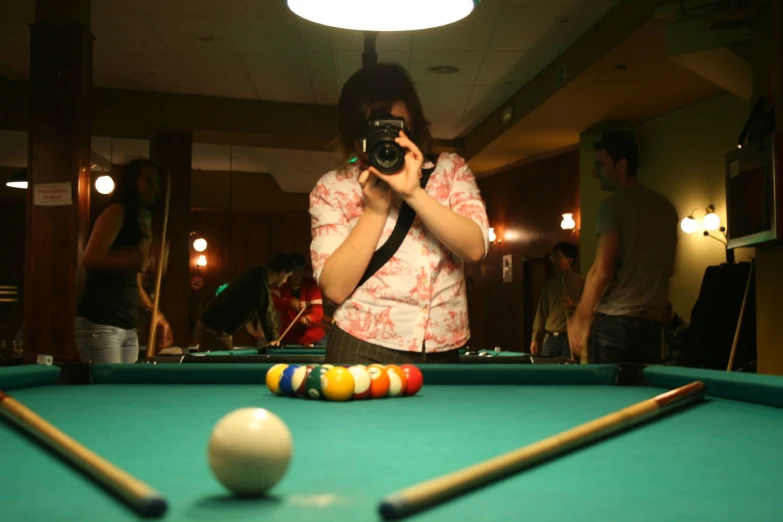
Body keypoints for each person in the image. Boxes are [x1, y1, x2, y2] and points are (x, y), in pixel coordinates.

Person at [309, 63, 489, 365]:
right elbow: (335, 289)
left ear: (414, 126)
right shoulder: (332, 188)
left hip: (442, 345)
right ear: (355, 133)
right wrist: (376, 210)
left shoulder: (450, 170)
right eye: (375, 129)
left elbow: (474, 248)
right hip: (360, 342)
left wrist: (414, 194)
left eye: (397, 126)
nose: (388, 138)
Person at [568, 131, 678, 363]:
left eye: (600, 165)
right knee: (643, 396)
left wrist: (580, 318)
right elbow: (667, 270)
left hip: (615, 324)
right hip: (652, 327)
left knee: (607, 399)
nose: (594, 173)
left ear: (621, 165)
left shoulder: (611, 206)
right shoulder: (666, 208)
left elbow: (602, 269)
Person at [75, 159, 173, 363]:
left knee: (123, 393)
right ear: (131, 182)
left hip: (128, 327)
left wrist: (156, 314)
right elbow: (90, 257)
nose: (154, 189)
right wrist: (136, 256)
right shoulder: (117, 211)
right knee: (107, 394)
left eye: (157, 184)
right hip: (100, 323)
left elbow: (134, 283)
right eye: (148, 181)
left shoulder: (141, 220)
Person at [195, 253, 295, 351]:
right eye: (287, 276)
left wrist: (273, 338)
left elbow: (268, 308)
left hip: (210, 329)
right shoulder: (259, 279)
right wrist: (273, 339)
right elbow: (266, 310)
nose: (286, 281)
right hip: (212, 331)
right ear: (282, 272)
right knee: (231, 366)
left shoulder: (259, 276)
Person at [530, 242, 585, 357]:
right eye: (553, 256)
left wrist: (573, 305)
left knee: (568, 374)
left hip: (570, 338)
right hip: (551, 338)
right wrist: (535, 338)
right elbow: (541, 313)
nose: (554, 260)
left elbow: (590, 309)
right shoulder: (550, 284)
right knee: (545, 373)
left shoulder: (581, 282)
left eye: (558, 257)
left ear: (569, 260)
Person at [271, 253, 326, 346]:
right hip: (289, 337)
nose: (298, 274)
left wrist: (309, 318)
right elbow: (272, 301)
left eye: (301, 270)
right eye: (295, 271)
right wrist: (289, 302)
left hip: (313, 337)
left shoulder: (311, 285)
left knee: (328, 357)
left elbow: (318, 311)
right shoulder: (282, 285)